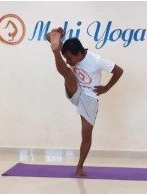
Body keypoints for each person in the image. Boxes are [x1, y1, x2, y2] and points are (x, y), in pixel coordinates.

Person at [46, 27, 123, 178]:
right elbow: (46, 36)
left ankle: (79, 166)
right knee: (68, 73)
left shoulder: (97, 60)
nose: (68, 61)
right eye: (66, 58)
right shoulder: (72, 57)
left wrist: (106, 88)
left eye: (69, 58)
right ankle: (55, 51)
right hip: (75, 90)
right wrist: (57, 35)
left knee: (86, 135)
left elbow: (119, 71)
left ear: (80, 53)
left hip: (90, 98)